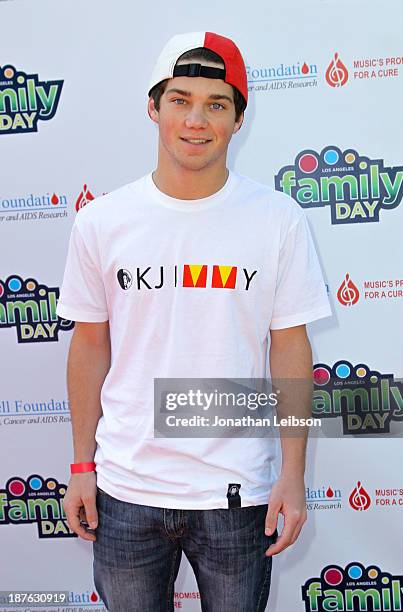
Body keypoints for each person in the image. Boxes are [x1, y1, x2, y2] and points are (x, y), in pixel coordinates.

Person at [57, 31, 331, 612]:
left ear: (237, 121)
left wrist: (293, 472)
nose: (195, 120)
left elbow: (290, 349)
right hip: (125, 490)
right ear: (153, 108)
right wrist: (81, 464)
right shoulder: (102, 222)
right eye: (179, 99)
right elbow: (88, 346)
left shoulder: (277, 220)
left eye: (216, 104)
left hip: (237, 495)